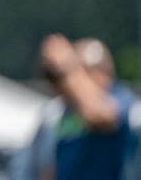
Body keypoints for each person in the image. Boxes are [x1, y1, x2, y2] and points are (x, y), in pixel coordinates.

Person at [16, 34, 135, 180]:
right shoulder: (65, 111)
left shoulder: (119, 97)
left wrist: (69, 66)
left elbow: (103, 116)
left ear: (102, 72)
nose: (68, 84)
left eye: (82, 71)